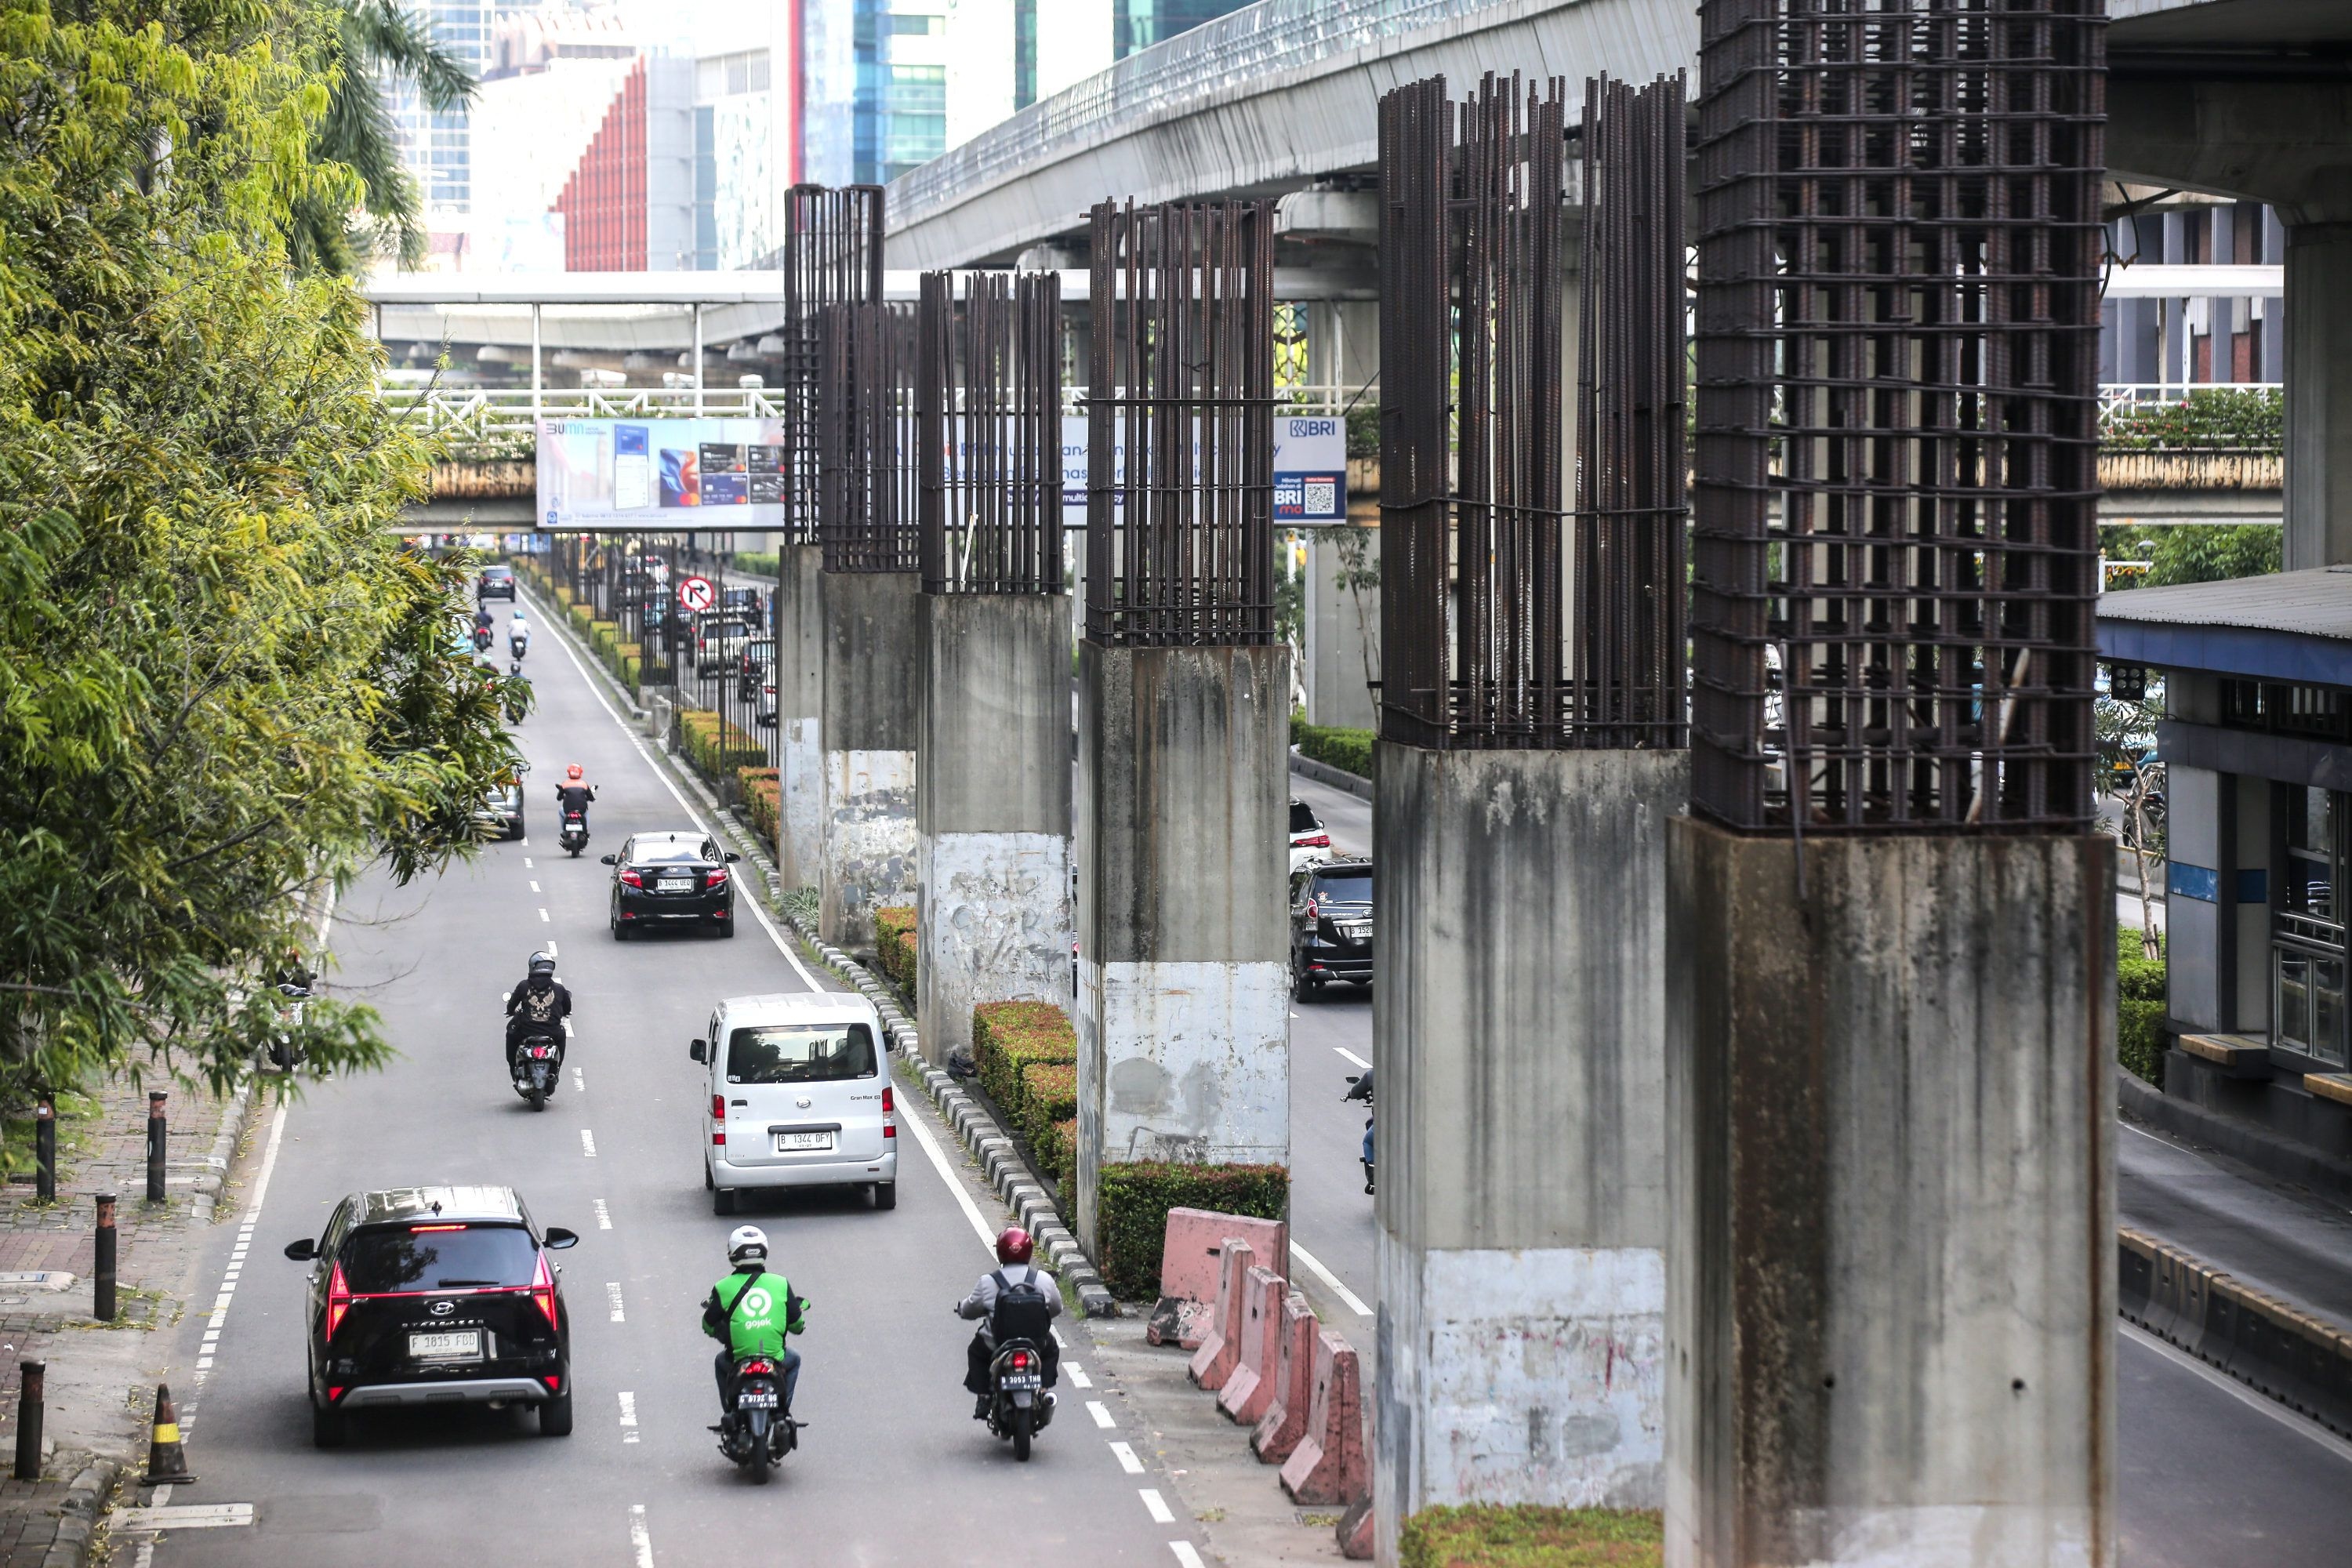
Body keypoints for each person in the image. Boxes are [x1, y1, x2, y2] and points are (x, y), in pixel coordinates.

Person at [953, 1226, 1062, 1419]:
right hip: (1036, 1343)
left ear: (1001, 1251)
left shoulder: (988, 1282)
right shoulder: (1044, 1279)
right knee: (1051, 1349)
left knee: (976, 1352)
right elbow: (1056, 1309)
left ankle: (984, 1396)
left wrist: (961, 1309)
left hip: (996, 1343)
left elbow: (971, 1310)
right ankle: (1044, 1389)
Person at [702, 1226, 806, 1417]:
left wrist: (721, 1332)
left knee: (720, 1361)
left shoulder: (723, 1287)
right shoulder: (780, 1283)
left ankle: (730, 1410)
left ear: (733, 1253)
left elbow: (708, 1325)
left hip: (737, 1361)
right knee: (795, 1359)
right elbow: (797, 1326)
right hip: (776, 1360)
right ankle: (783, 1409)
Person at [502, 950, 572, 1075]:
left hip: (526, 1032)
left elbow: (512, 1004)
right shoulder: (559, 989)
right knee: (562, 1035)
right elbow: (567, 1008)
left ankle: (513, 1067)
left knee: (511, 1034)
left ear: (533, 966)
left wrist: (510, 1011)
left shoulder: (523, 986)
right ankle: (556, 1068)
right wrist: (564, 1012)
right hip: (553, 1033)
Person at [554, 764, 595, 828]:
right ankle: (585, 828)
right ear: (580, 773)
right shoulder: (584, 784)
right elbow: (591, 797)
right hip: (582, 810)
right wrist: (592, 799)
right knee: (586, 812)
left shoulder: (565, 784)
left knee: (560, 810)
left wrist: (563, 797)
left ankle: (564, 829)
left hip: (567, 810)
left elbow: (559, 798)